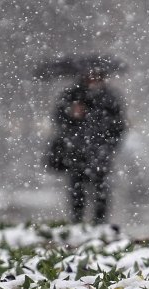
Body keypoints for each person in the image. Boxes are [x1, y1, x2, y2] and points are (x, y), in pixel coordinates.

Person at [49, 69, 126, 224]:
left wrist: (108, 145)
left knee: (101, 190)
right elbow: (59, 119)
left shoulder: (110, 97)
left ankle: (100, 223)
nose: (93, 80)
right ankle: (77, 222)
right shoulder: (71, 95)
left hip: (100, 152)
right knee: (76, 190)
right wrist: (71, 113)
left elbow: (118, 125)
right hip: (76, 151)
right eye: (90, 76)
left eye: (97, 76)